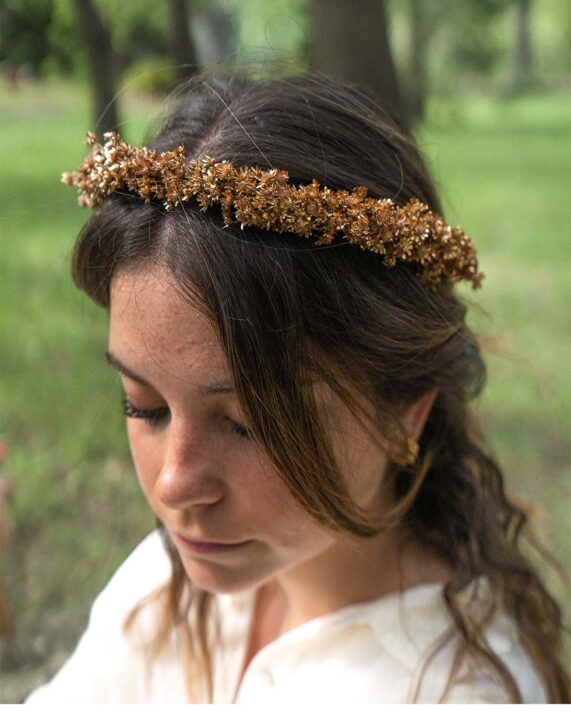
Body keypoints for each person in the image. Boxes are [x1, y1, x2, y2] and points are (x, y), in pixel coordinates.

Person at [26, 74, 569, 704]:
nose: (175, 485)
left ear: (406, 411)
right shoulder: (166, 587)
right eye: (144, 406)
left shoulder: (446, 690)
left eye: (248, 424)